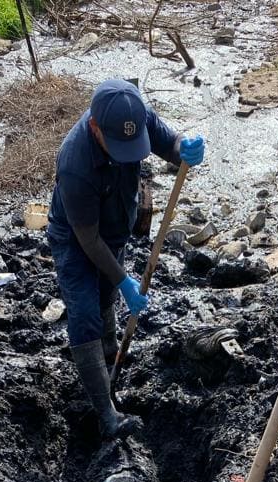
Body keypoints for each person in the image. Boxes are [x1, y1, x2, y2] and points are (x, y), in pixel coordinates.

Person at [47, 79, 204, 439]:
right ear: (94, 127)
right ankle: (105, 414)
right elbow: (87, 238)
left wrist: (185, 147)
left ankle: (108, 352)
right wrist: (124, 279)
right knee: (84, 312)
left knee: (105, 298)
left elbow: (171, 144)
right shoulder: (74, 163)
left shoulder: (134, 114)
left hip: (116, 224)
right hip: (75, 238)